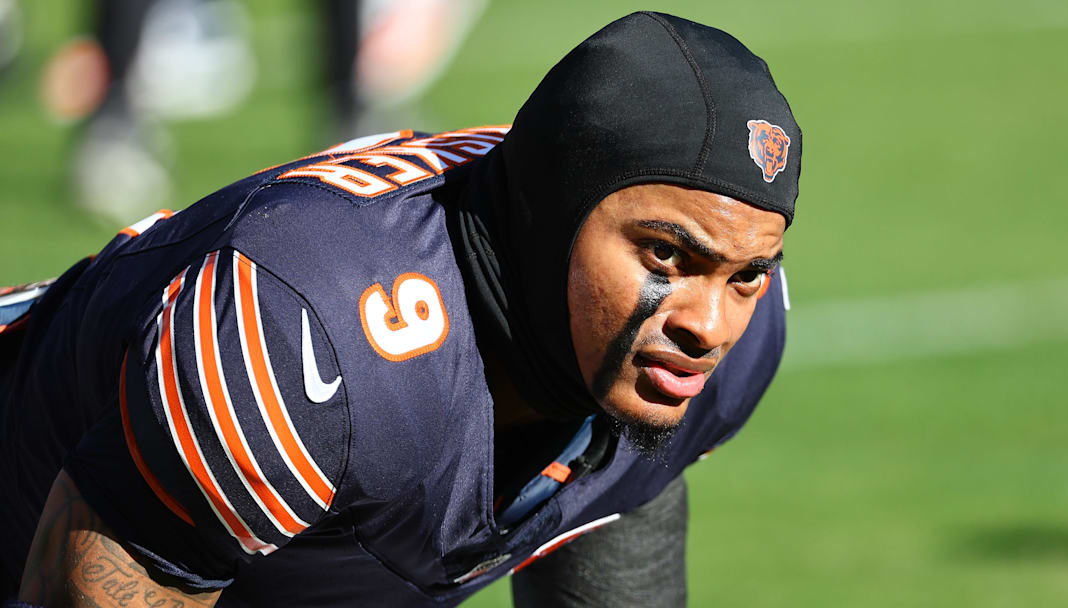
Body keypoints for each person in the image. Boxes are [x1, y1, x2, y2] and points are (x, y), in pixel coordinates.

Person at [0, 11, 801, 607]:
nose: (708, 323)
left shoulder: (721, 341)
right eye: (666, 256)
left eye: (745, 274)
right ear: (547, 211)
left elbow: (618, 514)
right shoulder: (315, 324)